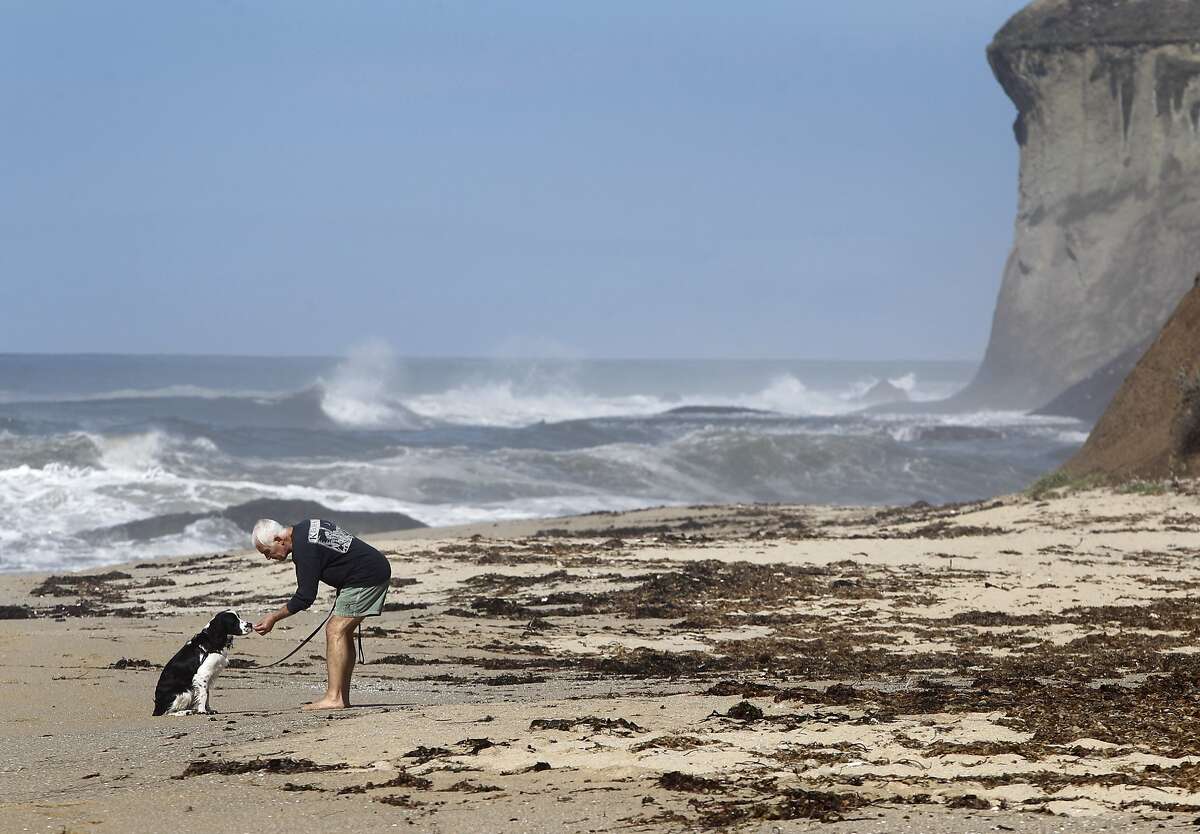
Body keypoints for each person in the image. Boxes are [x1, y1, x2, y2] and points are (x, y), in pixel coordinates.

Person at [251, 517, 391, 710]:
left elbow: (305, 596)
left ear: (278, 539)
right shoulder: (306, 527)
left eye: (267, 552)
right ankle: (342, 698)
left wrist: (273, 617)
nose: (268, 557)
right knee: (342, 632)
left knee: (335, 630)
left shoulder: (304, 549)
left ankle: (334, 698)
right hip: (369, 571)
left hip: (366, 577)